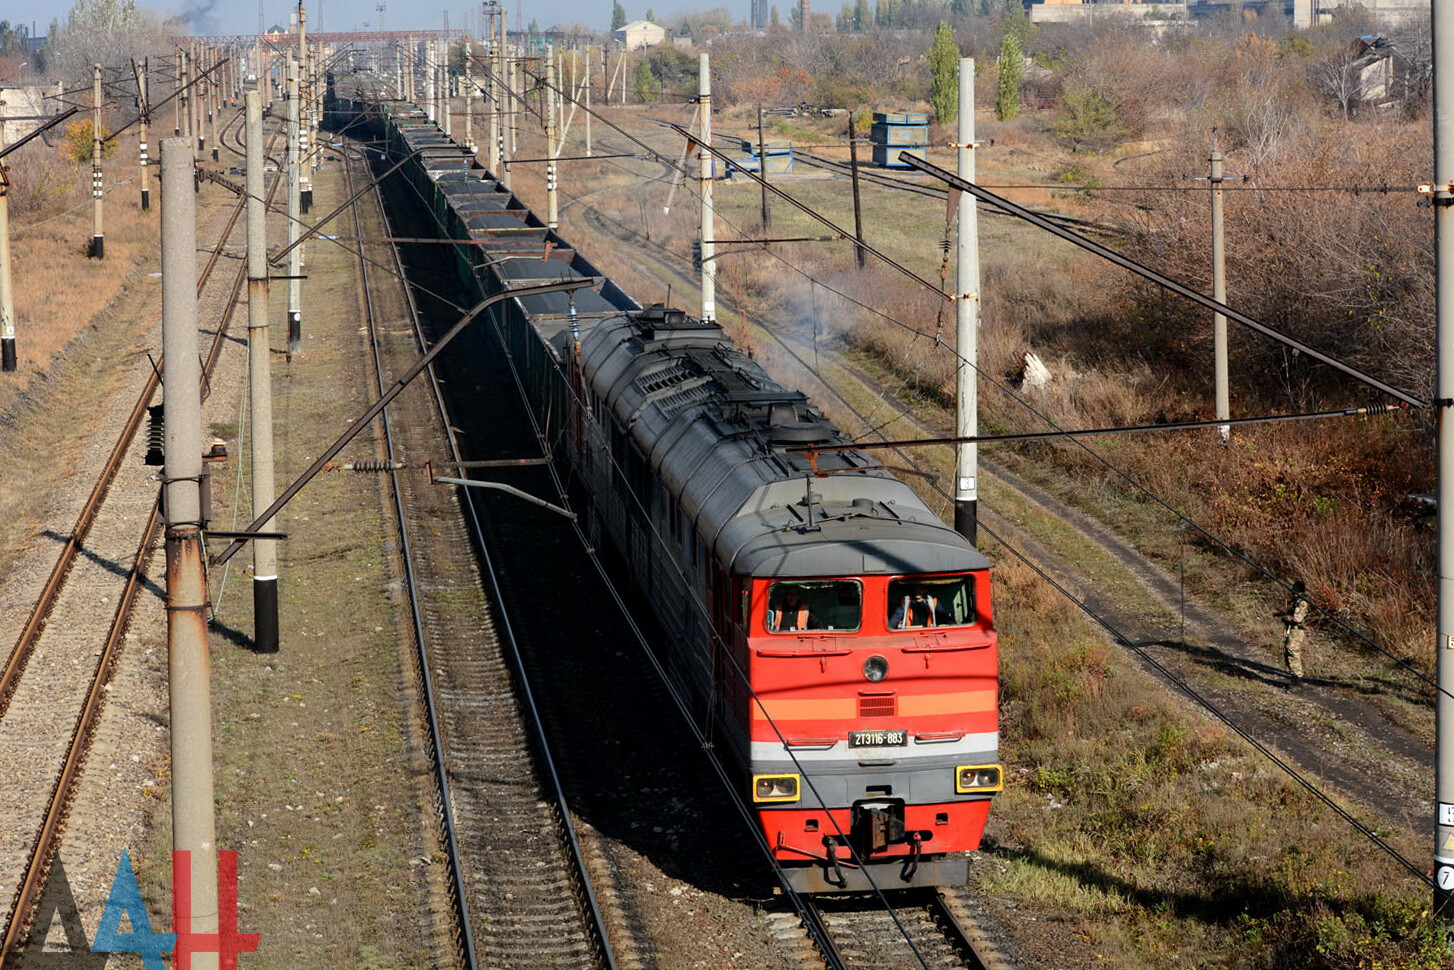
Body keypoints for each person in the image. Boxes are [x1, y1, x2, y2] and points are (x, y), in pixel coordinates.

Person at [1279, 581, 1311, 683]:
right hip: (1291, 630)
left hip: (1297, 631)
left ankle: (1298, 677)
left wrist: (1285, 617)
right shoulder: (1294, 602)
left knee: (1293, 652)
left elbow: (1297, 619)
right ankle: (1294, 676)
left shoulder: (1302, 603)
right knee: (1287, 653)